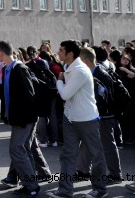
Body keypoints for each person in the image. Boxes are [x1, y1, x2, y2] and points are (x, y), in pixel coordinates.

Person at [46, 41, 107, 198]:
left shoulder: (79, 70)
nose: (58, 52)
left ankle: (99, 189)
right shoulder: (69, 67)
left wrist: (59, 80)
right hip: (71, 118)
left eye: (61, 50)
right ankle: (65, 190)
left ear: (70, 54)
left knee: (96, 155)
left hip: (87, 119)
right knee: (68, 155)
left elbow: (65, 94)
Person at [0, 41, 42, 196]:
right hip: (19, 117)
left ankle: (32, 186)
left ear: (1, 53)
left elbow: (29, 96)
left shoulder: (19, 69)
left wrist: (21, 118)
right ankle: (31, 183)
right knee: (24, 149)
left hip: (24, 118)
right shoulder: (7, 69)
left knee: (16, 149)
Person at [76, 47, 123, 184]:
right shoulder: (93, 72)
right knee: (86, 141)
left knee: (108, 145)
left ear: (84, 60)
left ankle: (115, 174)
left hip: (104, 116)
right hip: (94, 115)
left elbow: (105, 97)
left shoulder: (99, 74)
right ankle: (83, 170)